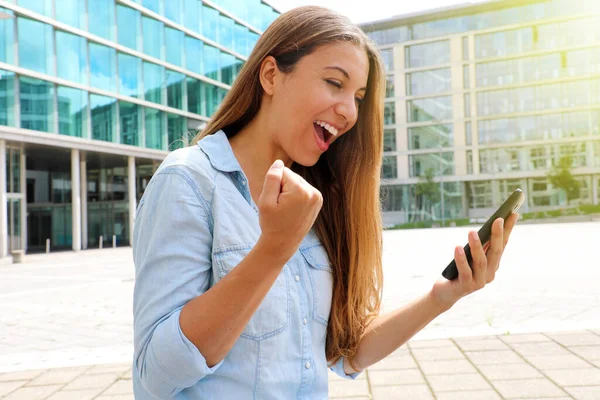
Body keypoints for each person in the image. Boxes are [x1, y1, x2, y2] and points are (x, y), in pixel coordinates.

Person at [131, 6, 518, 399]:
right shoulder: (189, 181)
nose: (350, 112)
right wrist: (274, 249)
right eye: (335, 83)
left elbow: (344, 352)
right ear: (270, 75)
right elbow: (156, 375)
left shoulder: (314, 198)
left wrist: (442, 296)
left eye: (358, 97)